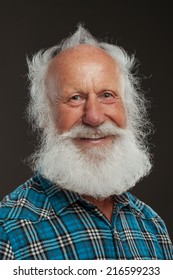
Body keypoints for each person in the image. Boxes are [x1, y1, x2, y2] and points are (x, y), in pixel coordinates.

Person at [0, 24, 172, 260]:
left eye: (107, 95)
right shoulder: (9, 230)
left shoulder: (151, 227)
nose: (94, 116)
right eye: (75, 98)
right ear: (45, 115)